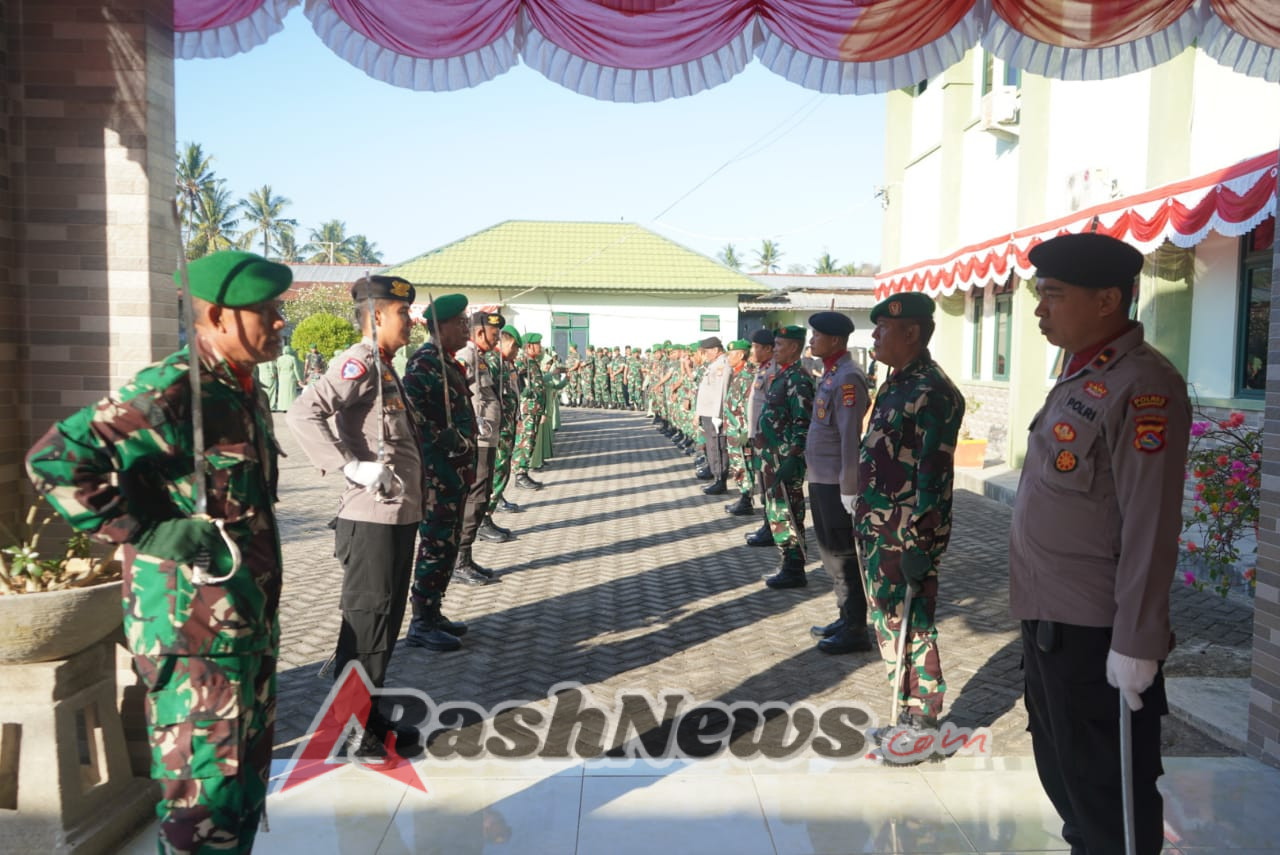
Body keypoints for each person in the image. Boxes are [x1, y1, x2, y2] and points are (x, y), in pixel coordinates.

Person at [25, 249, 292, 852]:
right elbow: (56, 459)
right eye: (266, 311)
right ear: (220, 315)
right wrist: (149, 532)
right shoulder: (174, 388)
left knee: (241, 797)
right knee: (203, 808)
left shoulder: (240, 388)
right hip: (193, 637)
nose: (280, 321)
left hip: (243, 628)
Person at [1011, 232, 1190, 854]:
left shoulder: (1143, 386)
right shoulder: (1082, 375)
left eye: (1053, 296)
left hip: (1096, 633)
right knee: (1068, 781)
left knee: (1113, 797)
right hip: (1046, 616)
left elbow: (1151, 520)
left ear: (1109, 299)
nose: (1040, 310)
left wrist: (1138, 640)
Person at [286, 275, 424, 760]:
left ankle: (369, 713)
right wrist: (349, 465)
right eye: (403, 313)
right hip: (371, 518)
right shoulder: (360, 360)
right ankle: (349, 728)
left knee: (382, 624)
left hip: (397, 515)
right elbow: (304, 412)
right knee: (366, 624)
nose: (410, 320)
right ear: (378, 316)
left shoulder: (386, 365)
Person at [856, 292, 964, 741]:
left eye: (883, 329)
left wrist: (922, 543)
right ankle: (905, 711)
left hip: (906, 534)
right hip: (880, 528)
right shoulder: (895, 382)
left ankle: (922, 720)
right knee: (887, 622)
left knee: (911, 623)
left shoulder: (933, 392)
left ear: (912, 333)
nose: (875, 336)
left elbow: (933, 475)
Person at [403, 292, 487, 655]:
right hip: (438, 473)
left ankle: (434, 610)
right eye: (460, 323)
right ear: (441, 327)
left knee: (448, 542)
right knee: (436, 543)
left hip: (456, 471)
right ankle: (421, 621)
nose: (466, 328)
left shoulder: (448, 363)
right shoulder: (424, 364)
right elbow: (412, 413)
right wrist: (441, 437)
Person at [803, 312, 872, 654]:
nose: (811, 341)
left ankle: (856, 627)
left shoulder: (848, 378)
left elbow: (849, 436)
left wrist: (849, 484)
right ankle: (845, 617)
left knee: (843, 554)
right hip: (820, 478)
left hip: (835, 482)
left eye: (817, 336)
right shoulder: (831, 373)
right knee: (830, 554)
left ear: (836, 340)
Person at [754, 325, 815, 589]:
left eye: (779, 345)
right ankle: (787, 562)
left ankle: (794, 567)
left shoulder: (798, 379)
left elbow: (803, 421)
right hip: (772, 456)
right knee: (777, 511)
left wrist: (794, 455)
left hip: (785, 458)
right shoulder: (784, 375)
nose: (775, 349)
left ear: (793, 347)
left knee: (789, 512)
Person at [456, 310, 512, 557]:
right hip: (477, 441)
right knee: (475, 497)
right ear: (479, 332)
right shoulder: (465, 357)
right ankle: (461, 558)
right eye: (493, 334)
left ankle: (466, 554)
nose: (496, 339)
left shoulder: (479, 357)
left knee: (482, 493)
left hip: (487, 439)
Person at [743, 328, 778, 545]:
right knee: (764, 485)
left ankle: (773, 528)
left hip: (768, 441)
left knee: (771, 487)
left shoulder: (773, 371)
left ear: (767, 349)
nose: (752, 352)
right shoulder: (763, 369)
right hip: (759, 437)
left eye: (756, 347)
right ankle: (768, 524)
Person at [487, 325, 524, 517]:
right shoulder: (493, 362)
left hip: (506, 427)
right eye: (515, 347)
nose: (516, 352)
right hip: (497, 430)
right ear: (506, 342)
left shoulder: (504, 363)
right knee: (497, 470)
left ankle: (492, 506)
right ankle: (485, 517)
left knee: (502, 469)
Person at [721, 339, 756, 517]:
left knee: (744, 464)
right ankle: (743, 497)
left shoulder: (748, 376)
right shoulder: (738, 373)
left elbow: (750, 405)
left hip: (741, 431)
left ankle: (746, 500)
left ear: (741, 355)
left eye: (731, 354)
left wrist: (746, 431)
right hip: (734, 430)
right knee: (738, 465)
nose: (727, 358)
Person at [694, 336, 732, 495]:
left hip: (714, 414)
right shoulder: (714, 365)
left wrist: (718, 416)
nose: (705, 354)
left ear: (716, 350)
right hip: (707, 413)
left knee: (717, 447)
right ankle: (716, 476)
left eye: (707, 351)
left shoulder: (722, 366)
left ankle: (720, 480)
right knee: (711, 446)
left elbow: (721, 393)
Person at [512, 332, 547, 490]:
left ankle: (523, 472)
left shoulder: (533, 362)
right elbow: (513, 377)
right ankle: (520, 474)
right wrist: (522, 390)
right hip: (527, 409)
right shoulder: (523, 361)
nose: (540, 346)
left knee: (530, 441)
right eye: (537, 343)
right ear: (529, 346)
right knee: (525, 442)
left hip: (535, 409)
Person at [274, 343, 301, 411]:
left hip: (282, 377)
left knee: (282, 392)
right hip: (290, 377)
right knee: (290, 392)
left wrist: (279, 377)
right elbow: (296, 370)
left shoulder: (279, 359)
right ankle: (290, 407)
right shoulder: (292, 358)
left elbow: (278, 369)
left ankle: (282, 407)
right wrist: (299, 379)